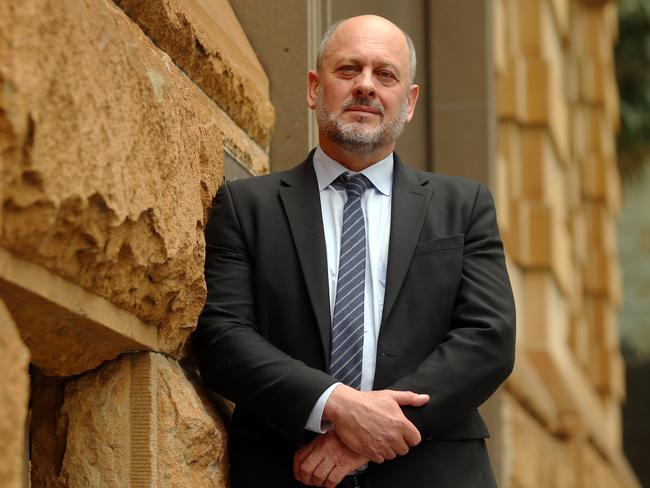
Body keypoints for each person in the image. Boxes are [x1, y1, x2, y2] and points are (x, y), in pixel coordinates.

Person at [192, 14, 515, 488]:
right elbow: (222, 338)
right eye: (348, 70)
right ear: (313, 88)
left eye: (385, 75)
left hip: (436, 469)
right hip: (287, 468)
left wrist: (364, 436)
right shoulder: (246, 207)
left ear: (409, 102)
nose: (366, 85)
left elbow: (489, 338)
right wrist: (336, 404)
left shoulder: (464, 206)